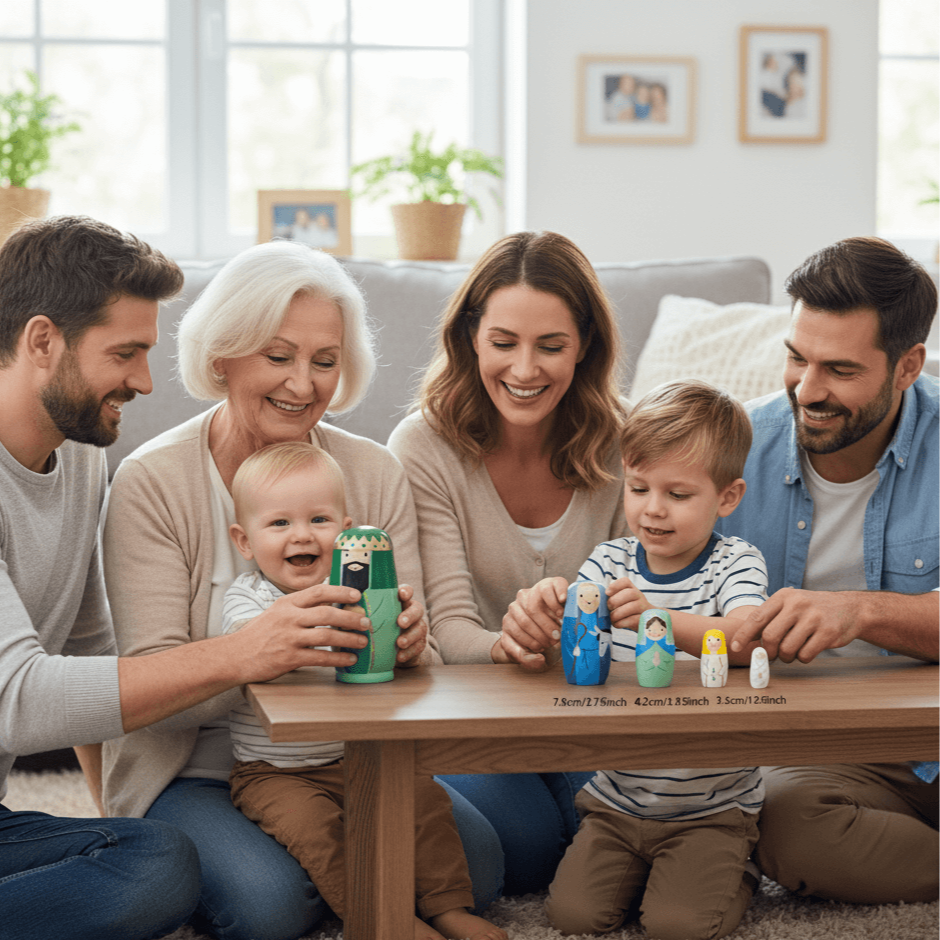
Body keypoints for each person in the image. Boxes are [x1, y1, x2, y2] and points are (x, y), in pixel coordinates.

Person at [101, 240, 503, 940]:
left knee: (487, 865)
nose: (303, 383)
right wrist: (257, 652)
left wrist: (411, 649)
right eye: (278, 356)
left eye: (324, 361)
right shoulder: (153, 482)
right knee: (270, 907)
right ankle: (362, 901)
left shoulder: (372, 474)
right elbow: (148, 696)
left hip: (353, 755)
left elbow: (421, 658)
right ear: (223, 356)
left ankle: (367, 885)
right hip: (197, 770)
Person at [0, 215, 361, 940]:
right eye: (126, 353)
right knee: (168, 876)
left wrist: (113, 809)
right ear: (43, 341)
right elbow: (21, 701)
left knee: (151, 860)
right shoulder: (135, 469)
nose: (144, 379)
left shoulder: (79, 455)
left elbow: (94, 658)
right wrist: (246, 651)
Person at [388, 230, 628, 893]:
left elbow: (653, 615)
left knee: (621, 830)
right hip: (472, 716)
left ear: (585, 344)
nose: (525, 371)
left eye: (551, 346)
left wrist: (583, 633)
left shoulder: (625, 444)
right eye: (504, 344)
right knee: (521, 852)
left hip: (593, 712)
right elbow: (443, 632)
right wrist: (509, 643)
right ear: (471, 337)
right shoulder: (423, 447)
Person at [722, 236, 940, 904]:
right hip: (836, 759)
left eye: (840, 370)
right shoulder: (732, 453)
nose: (807, 389)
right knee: (781, 817)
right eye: (796, 357)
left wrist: (861, 610)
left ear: (907, 367)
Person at [223, 440, 506, 940]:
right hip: (275, 772)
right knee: (321, 836)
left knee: (425, 803)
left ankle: (448, 907)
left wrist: (406, 638)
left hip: (361, 755)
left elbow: (402, 662)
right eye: (280, 524)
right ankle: (384, 920)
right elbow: (256, 657)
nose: (302, 536)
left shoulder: (364, 589)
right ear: (244, 542)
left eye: (319, 520)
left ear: (348, 532)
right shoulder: (248, 601)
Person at [545, 380, 768, 940]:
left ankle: (738, 870)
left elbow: (746, 639)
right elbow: (577, 637)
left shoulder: (735, 563)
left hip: (712, 809)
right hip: (617, 802)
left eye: (678, 494)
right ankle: (654, 871)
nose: (653, 510)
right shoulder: (610, 560)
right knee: (571, 917)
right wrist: (552, 610)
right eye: (639, 487)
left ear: (728, 497)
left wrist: (661, 621)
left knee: (678, 927)